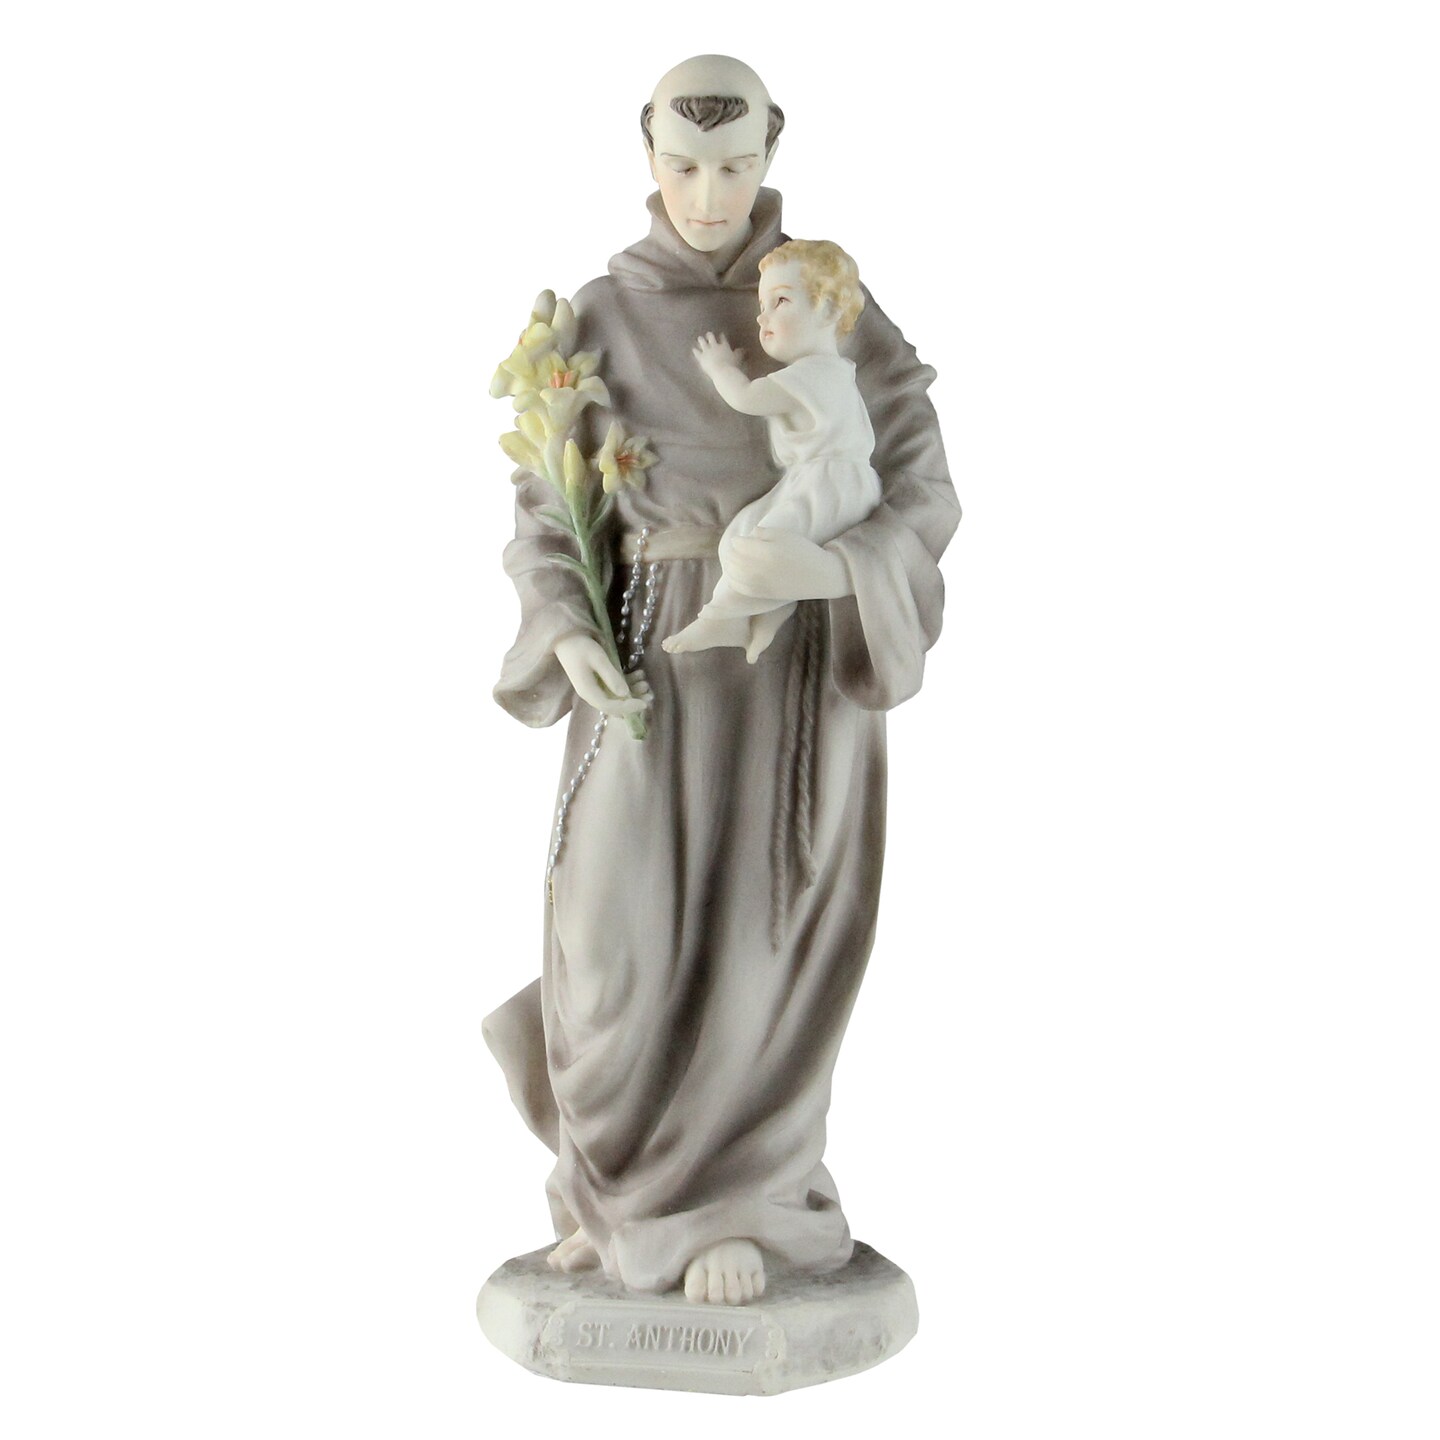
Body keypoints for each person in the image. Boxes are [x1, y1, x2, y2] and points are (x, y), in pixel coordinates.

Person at [484, 54, 960, 1307]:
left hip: (787, 665)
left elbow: (922, 490)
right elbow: (545, 504)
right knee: (606, 942)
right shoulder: (599, 316)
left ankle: (731, 1207)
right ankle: (612, 1197)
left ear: (772, 154)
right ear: (646, 152)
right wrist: (564, 624)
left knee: (759, 946)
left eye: (736, 167)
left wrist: (837, 566)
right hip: (645, 658)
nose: (708, 196)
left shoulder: (830, 301)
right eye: (684, 165)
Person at [664, 239, 882, 664]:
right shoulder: (828, 372)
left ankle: (717, 617)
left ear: (829, 309)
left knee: (761, 548)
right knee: (740, 536)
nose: (763, 317)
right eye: (762, 305)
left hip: (831, 485)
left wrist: (721, 368)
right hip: (815, 481)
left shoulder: (815, 374)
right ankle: (767, 613)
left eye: (780, 301)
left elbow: (746, 398)